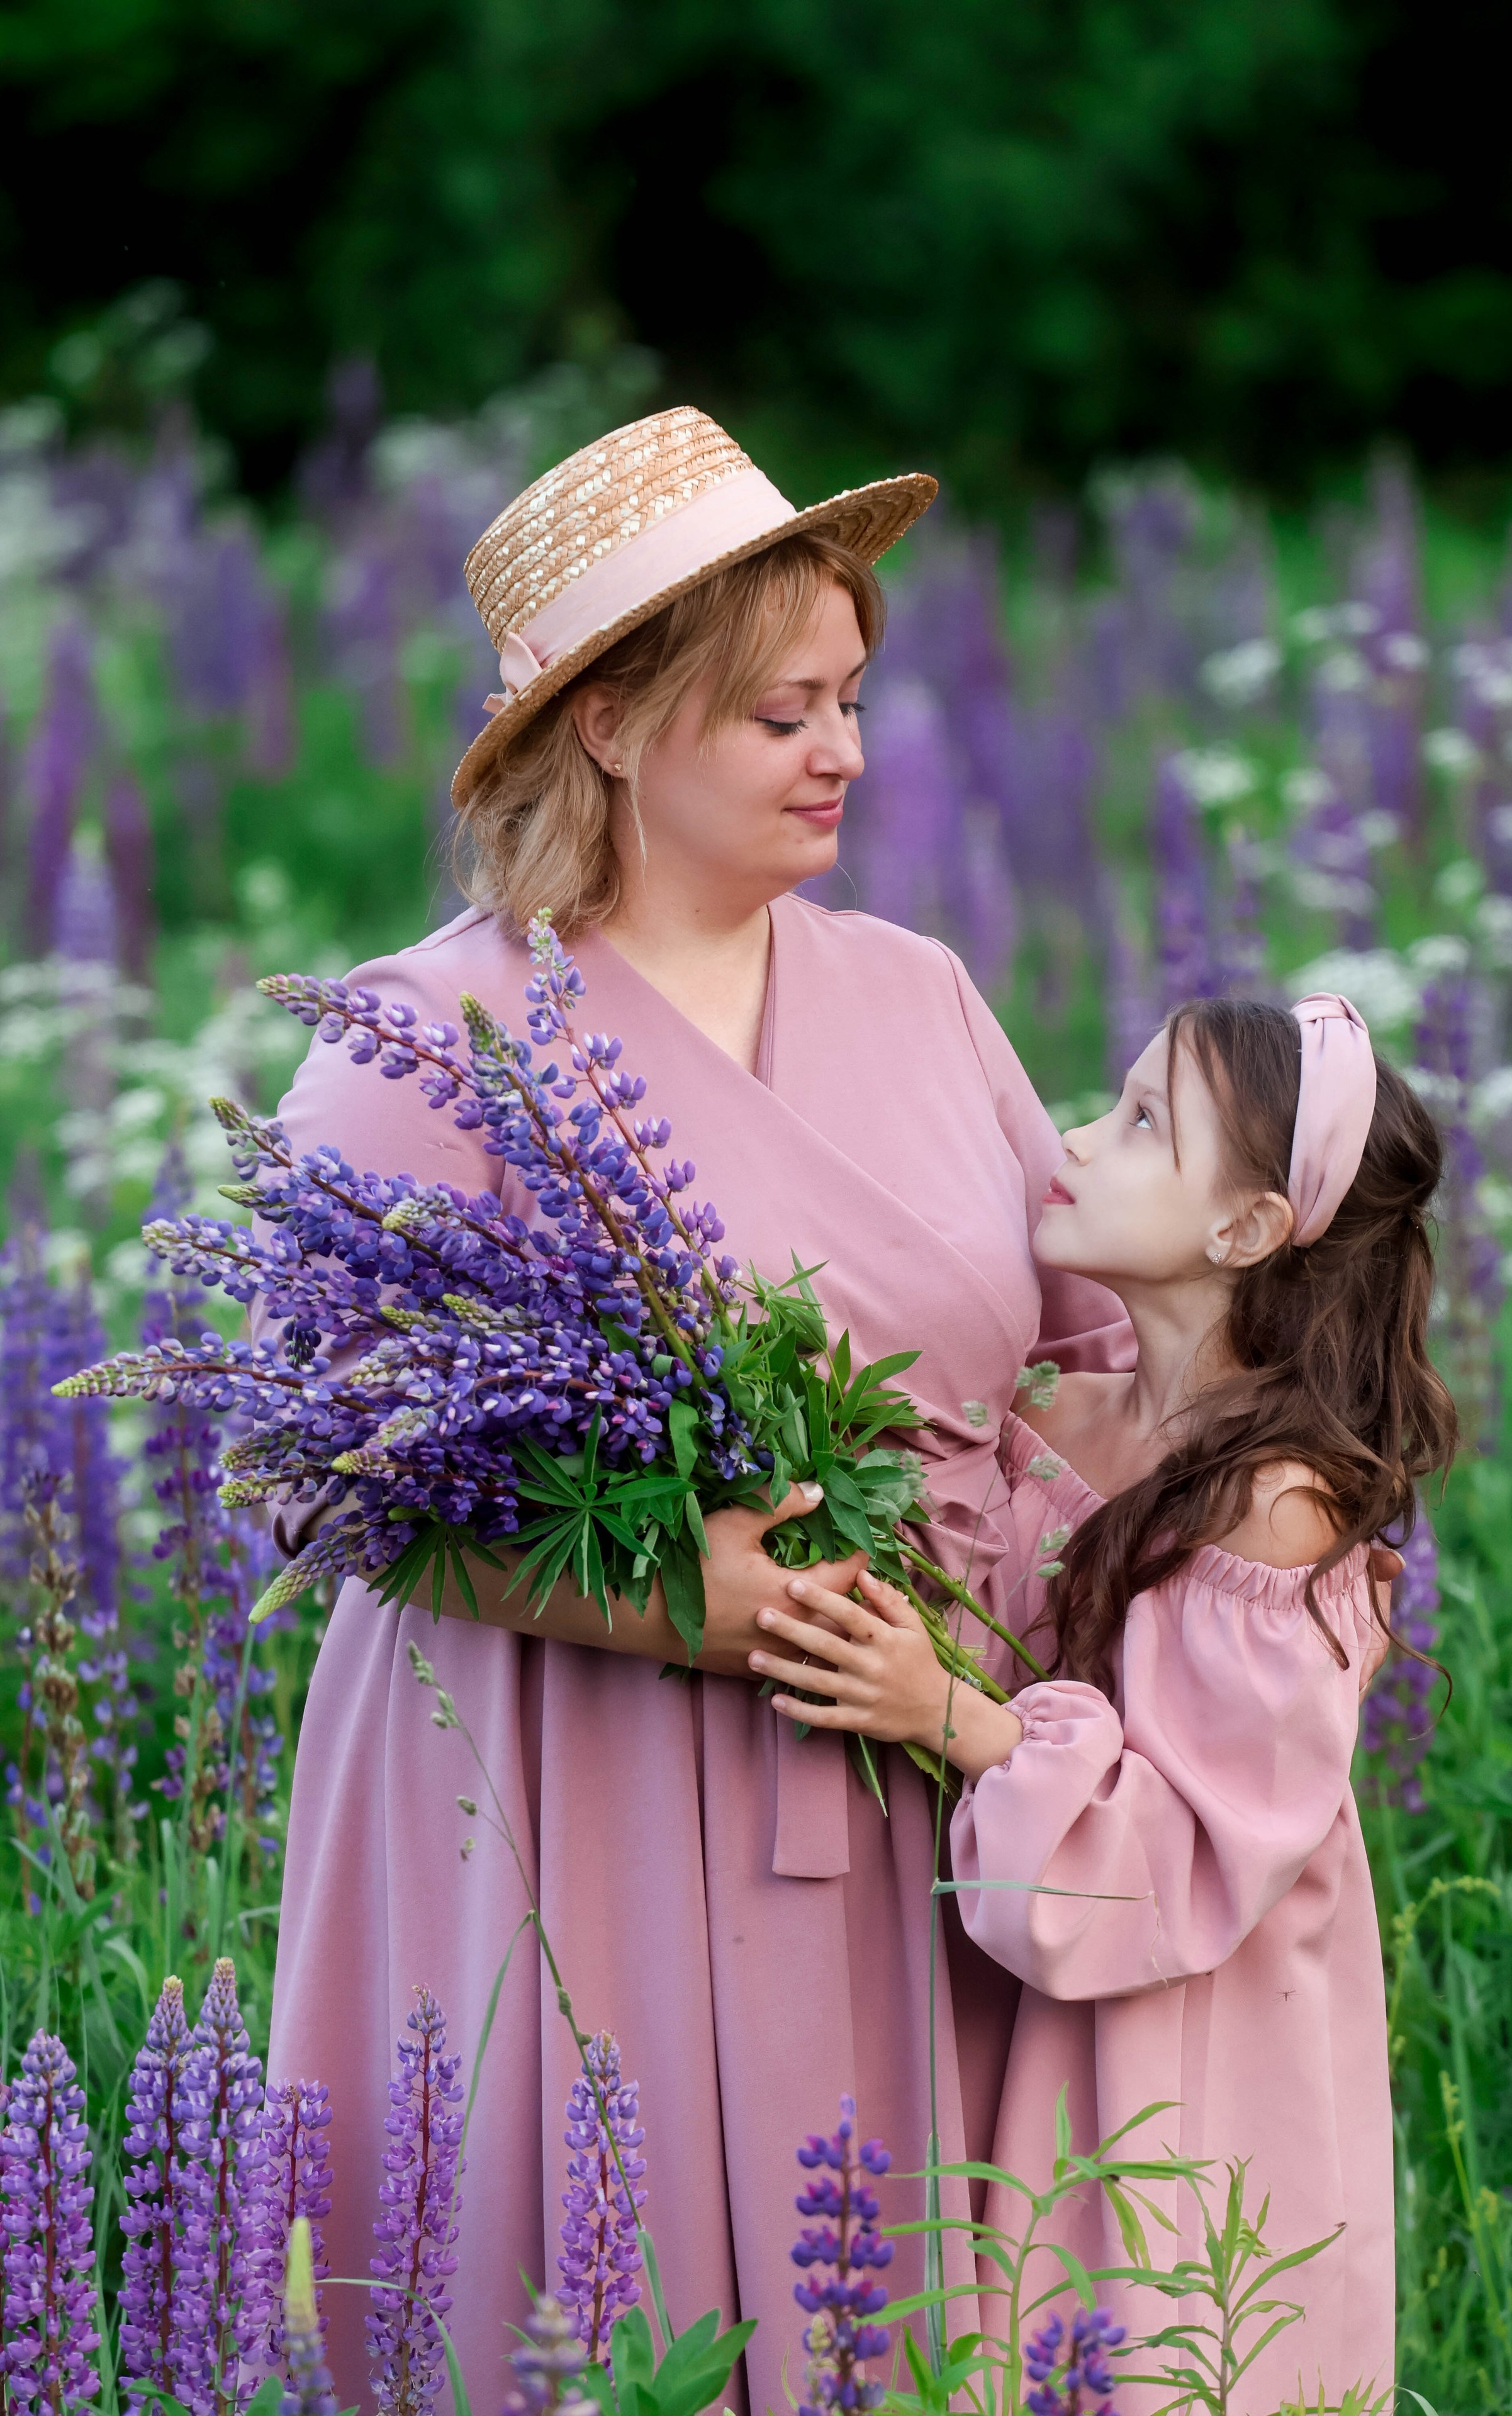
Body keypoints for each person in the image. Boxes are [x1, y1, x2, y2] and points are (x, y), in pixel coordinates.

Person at [262, 405, 1133, 2414]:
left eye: (849, 699)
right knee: (589, 2293)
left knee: (895, 2317)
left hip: (908, 1759)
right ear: (613, 724)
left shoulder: (916, 993)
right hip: (570, 1779)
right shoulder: (428, 1042)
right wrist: (676, 1602)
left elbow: (1093, 1359)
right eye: (778, 714)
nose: (842, 751)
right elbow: (322, 1473)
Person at [747, 992, 1456, 2405]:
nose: (1073, 1139)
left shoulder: (1275, 1509)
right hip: (1020, 1965)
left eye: (1141, 1125)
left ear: (1244, 1229)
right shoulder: (1055, 1409)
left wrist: (942, 1711)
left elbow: (1183, 1859)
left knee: (1155, 2342)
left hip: (1192, 2028)